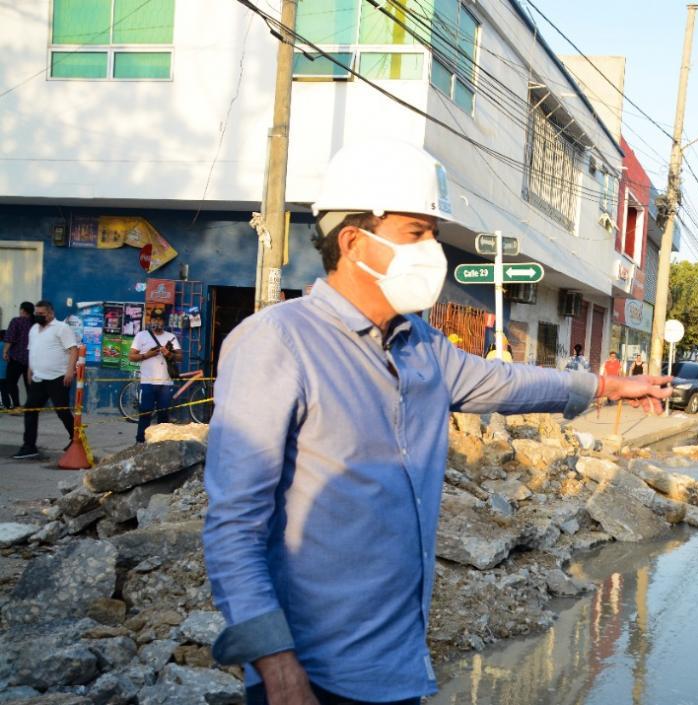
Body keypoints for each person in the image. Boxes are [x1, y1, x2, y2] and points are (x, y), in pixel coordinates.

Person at [201, 141, 670, 705]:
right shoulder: (277, 342)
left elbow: (507, 384)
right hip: (311, 676)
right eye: (416, 233)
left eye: (433, 234)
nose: (433, 251)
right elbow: (233, 525)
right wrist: (275, 667)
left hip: (397, 666)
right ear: (354, 242)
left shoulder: (419, 345)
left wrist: (608, 385)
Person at [13, 301, 79, 459]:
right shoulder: (34, 329)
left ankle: (76, 439)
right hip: (38, 378)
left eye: (41, 314)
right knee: (30, 410)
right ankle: (29, 446)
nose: (38, 316)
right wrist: (30, 369)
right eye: (36, 313)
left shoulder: (62, 328)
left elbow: (73, 349)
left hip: (58, 378)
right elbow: (32, 351)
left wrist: (70, 370)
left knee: (62, 411)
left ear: (50, 313)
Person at [129, 307, 183, 444]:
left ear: (164, 322)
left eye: (160, 319)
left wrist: (169, 354)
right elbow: (131, 356)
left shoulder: (171, 337)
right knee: (145, 413)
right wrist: (147, 355)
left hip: (166, 383)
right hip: (147, 382)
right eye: (154, 319)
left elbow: (180, 357)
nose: (157, 322)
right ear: (150, 320)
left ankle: (161, 444)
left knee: (163, 415)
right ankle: (140, 443)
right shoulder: (141, 336)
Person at [2, 301, 34, 410]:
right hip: (32, 360)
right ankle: (31, 407)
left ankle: (16, 406)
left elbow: (10, 338)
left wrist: (5, 351)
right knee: (29, 383)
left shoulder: (16, 321)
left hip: (17, 358)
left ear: (22, 310)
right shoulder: (35, 323)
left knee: (11, 383)